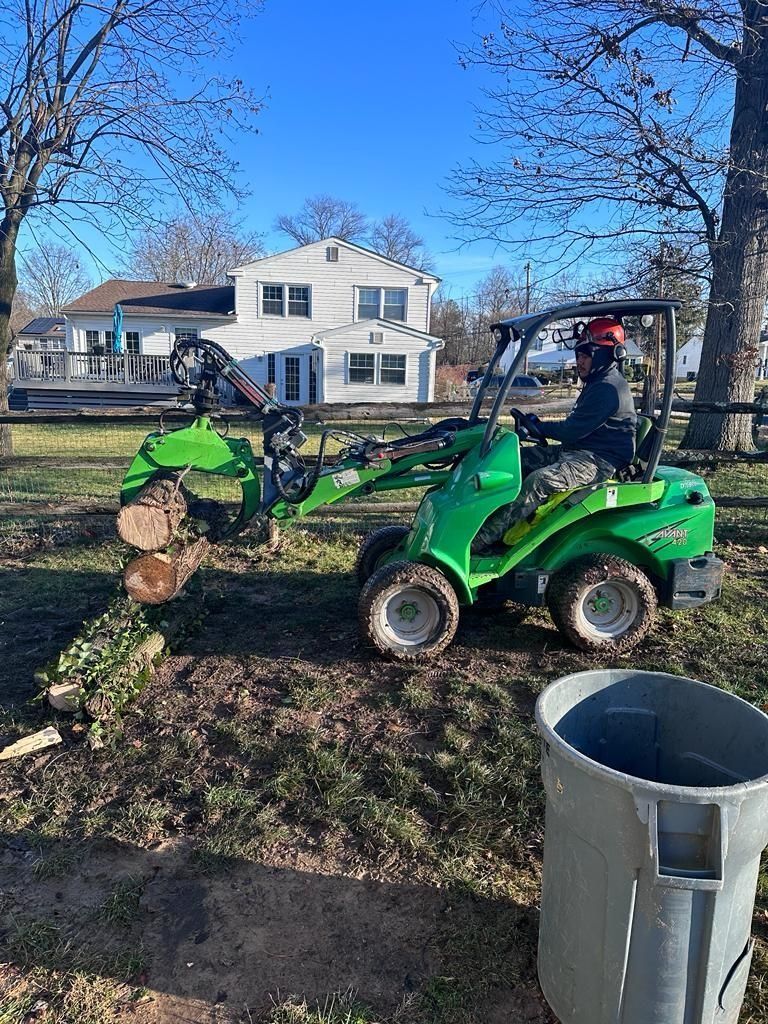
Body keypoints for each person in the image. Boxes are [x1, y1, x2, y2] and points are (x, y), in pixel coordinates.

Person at [472, 317, 637, 553]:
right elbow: (575, 428)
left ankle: (485, 539)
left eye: (585, 355)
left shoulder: (608, 388)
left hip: (599, 461)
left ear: (603, 354)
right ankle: (481, 524)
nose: (578, 361)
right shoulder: (598, 383)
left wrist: (540, 426)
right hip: (579, 451)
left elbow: (571, 430)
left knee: (538, 482)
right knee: (512, 461)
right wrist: (538, 425)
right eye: (578, 355)